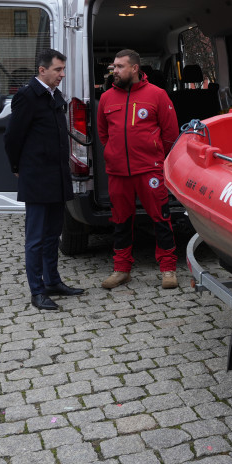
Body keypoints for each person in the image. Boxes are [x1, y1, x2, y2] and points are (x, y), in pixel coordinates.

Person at [4, 48, 85, 311]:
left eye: (63, 70)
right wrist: (17, 166)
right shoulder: (27, 96)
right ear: (42, 70)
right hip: (37, 177)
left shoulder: (54, 95)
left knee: (53, 235)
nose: (62, 74)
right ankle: (37, 291)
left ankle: (52, 282)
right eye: (58, 70)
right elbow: (12, 136)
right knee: (36, 238)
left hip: (57, 176)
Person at [97, 49, 180, 290]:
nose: (114, 71)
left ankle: (168, 269)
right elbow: (103, 133)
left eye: (120, 66)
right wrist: (113, 153)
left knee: (161, 218)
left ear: (135, 68)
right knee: (121, 221)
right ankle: (121, 269)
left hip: (148, 170)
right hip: (118, 172)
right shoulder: (106, 98)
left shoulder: (157, 95)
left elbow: (170, 134)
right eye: (114, 66)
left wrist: (155, 157)